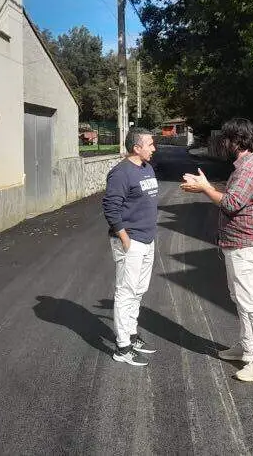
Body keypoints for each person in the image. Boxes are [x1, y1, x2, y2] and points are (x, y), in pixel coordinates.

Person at [180, 118, 253, 382]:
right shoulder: (246, 166)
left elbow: (231, 203)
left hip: (246, 244)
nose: (224, 143)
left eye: (226, 138)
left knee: (251, 303)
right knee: (240, 298)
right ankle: (247, 348)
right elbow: (235, 196)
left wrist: (205, 188)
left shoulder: (249, 168)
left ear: (236, 140)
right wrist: (207, 186)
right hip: (238, 243)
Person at [102, 128, 159, 366]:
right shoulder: (121, 173)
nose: (154, 148)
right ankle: (122, 347)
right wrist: (124, 238)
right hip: (131, 241)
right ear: (136, 148)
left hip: (147, 240)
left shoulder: (147, 168)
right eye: (150, 144)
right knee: (126, 292)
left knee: (138, 290)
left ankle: (132, 335)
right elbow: (110, 207)